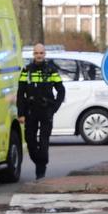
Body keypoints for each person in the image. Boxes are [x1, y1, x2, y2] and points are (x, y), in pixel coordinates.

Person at [17, 43, 65, 180]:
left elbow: (61, 91)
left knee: (44, 141)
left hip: (46, 111)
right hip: (31, 111)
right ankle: (40, 161)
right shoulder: (26, 70)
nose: (39, 55)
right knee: (29, 140)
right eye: (36, 53)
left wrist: (54, 108)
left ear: (45, 54)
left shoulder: (51, 71)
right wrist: (21, 113)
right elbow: (21, 93)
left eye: (41, 53)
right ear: (33, 54)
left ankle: (40, 171)